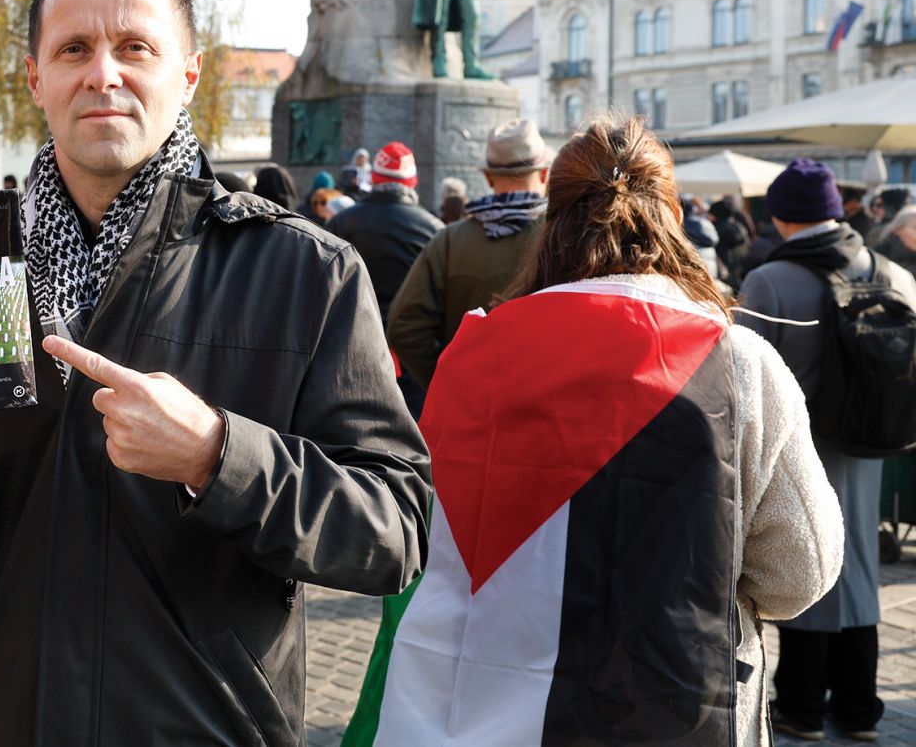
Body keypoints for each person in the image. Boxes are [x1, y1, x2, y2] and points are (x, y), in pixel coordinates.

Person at [0, 0, 431, 745]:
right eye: (74, 50)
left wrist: (219, 457)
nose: (103, 73)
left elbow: (394, 528)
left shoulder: (303, 269)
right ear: (34, 78)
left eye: (135, 48)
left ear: (187, 75)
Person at [357, 114, 841, 746]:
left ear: (550, 218)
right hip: (676, 704)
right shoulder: (741, 363)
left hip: (490, 706)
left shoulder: (475, 353)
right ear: (671, 213)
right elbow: (799, 574)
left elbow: (431, 543)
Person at [737, 157, 916, 742]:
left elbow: (743, 381)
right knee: (861, 562)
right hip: (872, 442)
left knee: (805, 559)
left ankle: (803, 707)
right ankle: (861, 709)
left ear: (783, 218)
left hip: (800, 444)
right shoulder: (894, 272)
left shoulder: (769, 281)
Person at [387, 118, 549, 392]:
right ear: (544, 174)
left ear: (488, 177)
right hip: (549, 404)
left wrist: (449, 384)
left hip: (470, 408)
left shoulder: (449, 240)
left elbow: (403, 327)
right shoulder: (568, 236)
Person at [327, 141, 444, 414]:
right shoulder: (434, 230)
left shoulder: (342, 222)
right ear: (412, 181)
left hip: (348, 345)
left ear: (375, 177)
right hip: (410, 353)